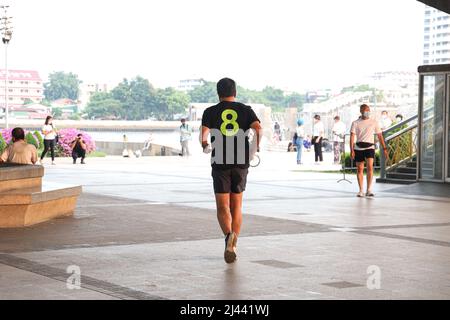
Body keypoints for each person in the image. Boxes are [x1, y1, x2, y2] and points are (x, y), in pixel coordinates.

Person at [200, 78, 262, 264]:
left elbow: (203, 135)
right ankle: (234, 245)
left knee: (222, 206)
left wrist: (204, 144)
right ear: (235, 92)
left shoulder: (210, 111)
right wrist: (255, 148)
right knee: (237, 206)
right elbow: (258, 129)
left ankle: (228, 238)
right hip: (241, 162)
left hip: (220, 161)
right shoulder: (245, 110)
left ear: (218, 93)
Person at [350, 104, 389, 198]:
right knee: (359, 169)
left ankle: (369, 190)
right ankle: (360, 190)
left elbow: (379, 136)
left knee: (370, 167)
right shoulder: (355, 123)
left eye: (368, 110)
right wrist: (351, 150)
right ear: (361, 111)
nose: (367, 112)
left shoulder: (374, 122)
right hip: (359, 147)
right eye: (365, 110)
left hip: (370, 147)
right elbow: (352, 137)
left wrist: (384, 148)